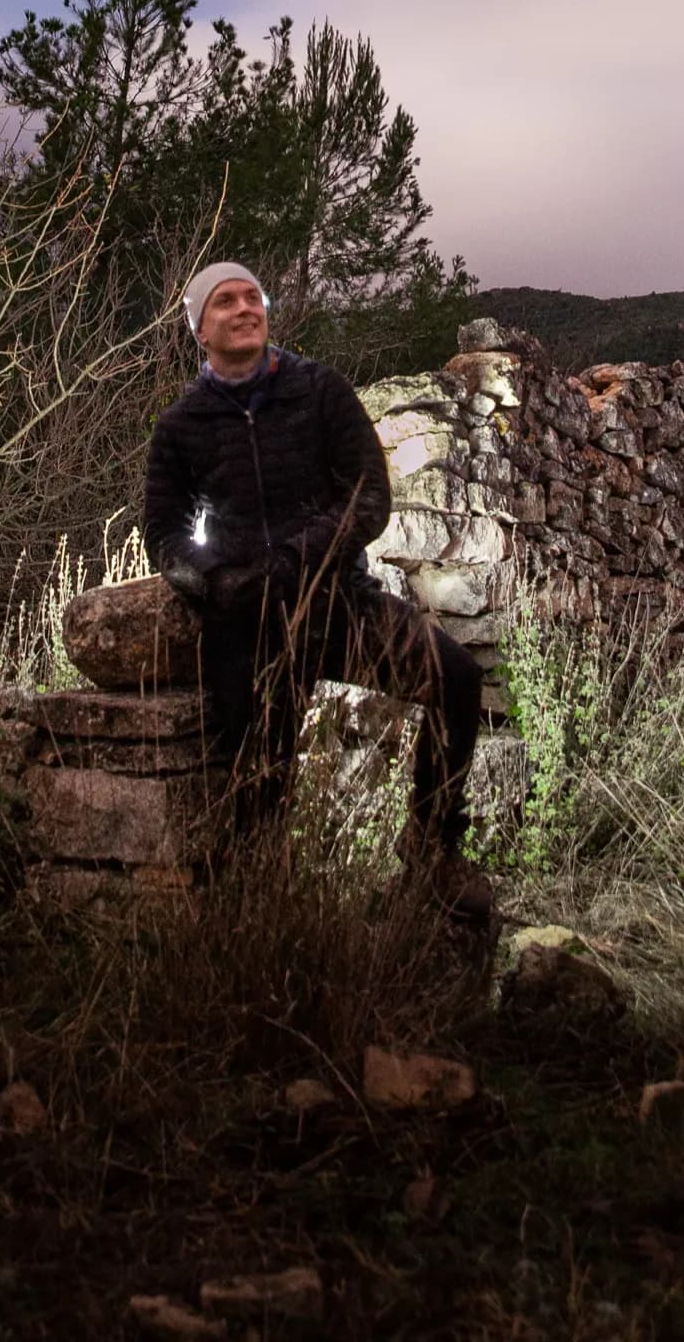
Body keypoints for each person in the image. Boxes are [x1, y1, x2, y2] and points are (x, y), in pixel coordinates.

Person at [142, 259, 494, 922]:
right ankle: (260, 910)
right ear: (199, 329)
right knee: (256, 775)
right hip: (247, 623)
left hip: (339, 603)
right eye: (225, 302)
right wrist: (213, 580)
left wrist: (297, 558)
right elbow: (161, 533)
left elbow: (369, 499)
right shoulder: (181, 426)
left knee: (455, 679)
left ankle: (431, 851)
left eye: (254, 296)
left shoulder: (320, 390)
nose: (246, 308)